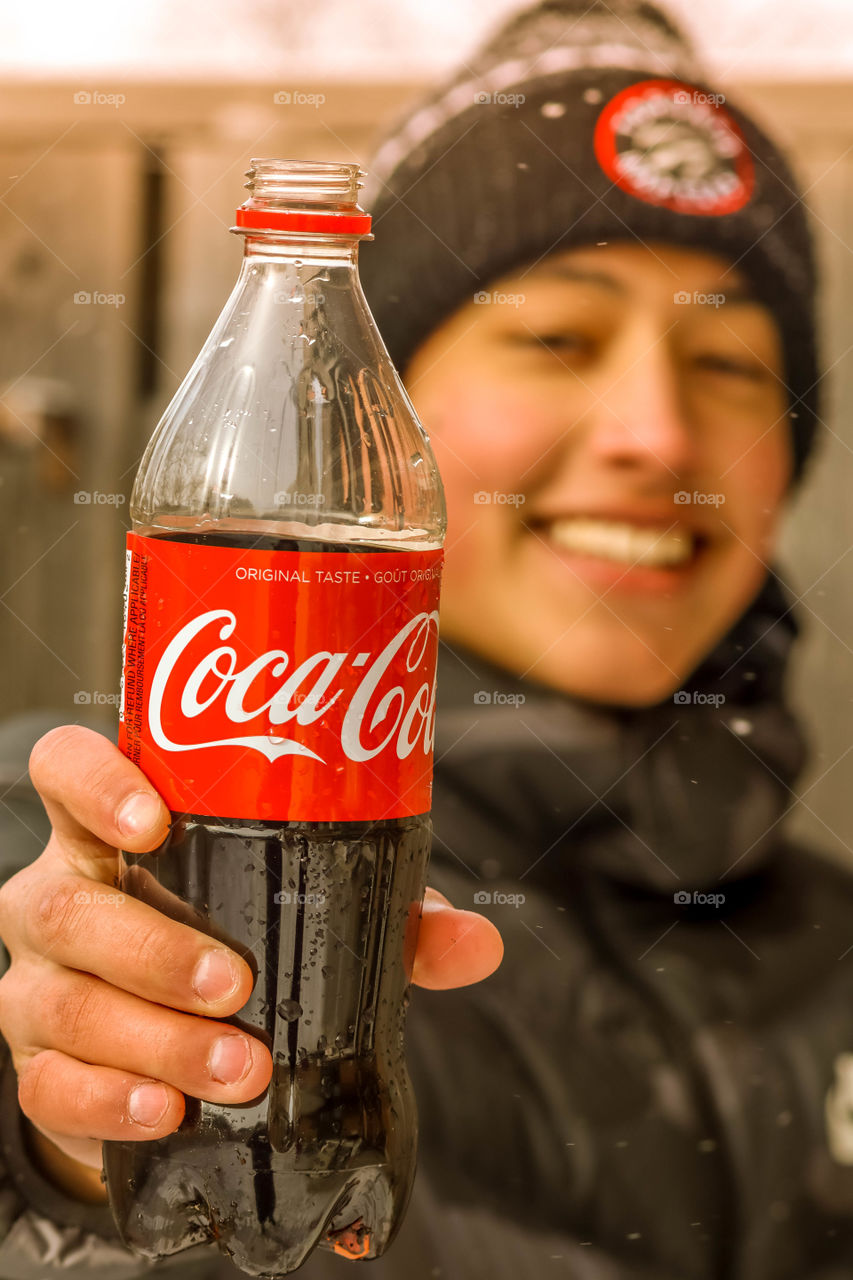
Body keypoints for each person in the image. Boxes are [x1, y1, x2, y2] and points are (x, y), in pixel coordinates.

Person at [1, 1, 851, 1276]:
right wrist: (69, 1155)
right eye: (555, 337)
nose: (656, 437)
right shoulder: (73, 847)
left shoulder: (830, 941)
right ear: (373, 412)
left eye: (727, 361)